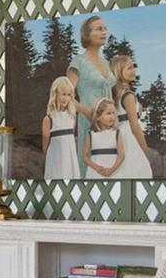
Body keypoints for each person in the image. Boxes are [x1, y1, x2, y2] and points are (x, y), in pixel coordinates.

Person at [69, 15, 116, 177]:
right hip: (87, 122)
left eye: (105, 28)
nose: (104, 32)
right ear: (87, 34)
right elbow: (67, 96)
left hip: (109, 122)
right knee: (87, 167)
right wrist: (90, 113)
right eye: (99, 29)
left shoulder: (106, 62)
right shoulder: (78, 62)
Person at [111, 54, 154, 179]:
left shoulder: (116, 94)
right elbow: (135, 128)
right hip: (128, 138)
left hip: (117, 136)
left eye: (133, 67)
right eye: (129, 68)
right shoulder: (128, 96)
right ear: (119, 72)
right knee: (141, 171)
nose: (134, 70)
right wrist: (146, 151)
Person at [42, 74, 81, 180]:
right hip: (56, 155)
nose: (66, 98)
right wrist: (45, 154)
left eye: (69, 95)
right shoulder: (49, 118)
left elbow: (71, 137)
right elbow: (46, 139)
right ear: (55, 94)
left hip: (70, 155)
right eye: (63, 94)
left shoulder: (72, 116)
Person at [83, 99, 124, 178]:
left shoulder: (116, 133)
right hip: (95, 172)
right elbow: (85, 156)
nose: (112, 116)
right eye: (108, 113)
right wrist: (96, 167)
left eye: (113, 113)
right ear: (98, 117)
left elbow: (121, 155)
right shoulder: (91, 134)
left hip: (114, 171)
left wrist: (111, 170)